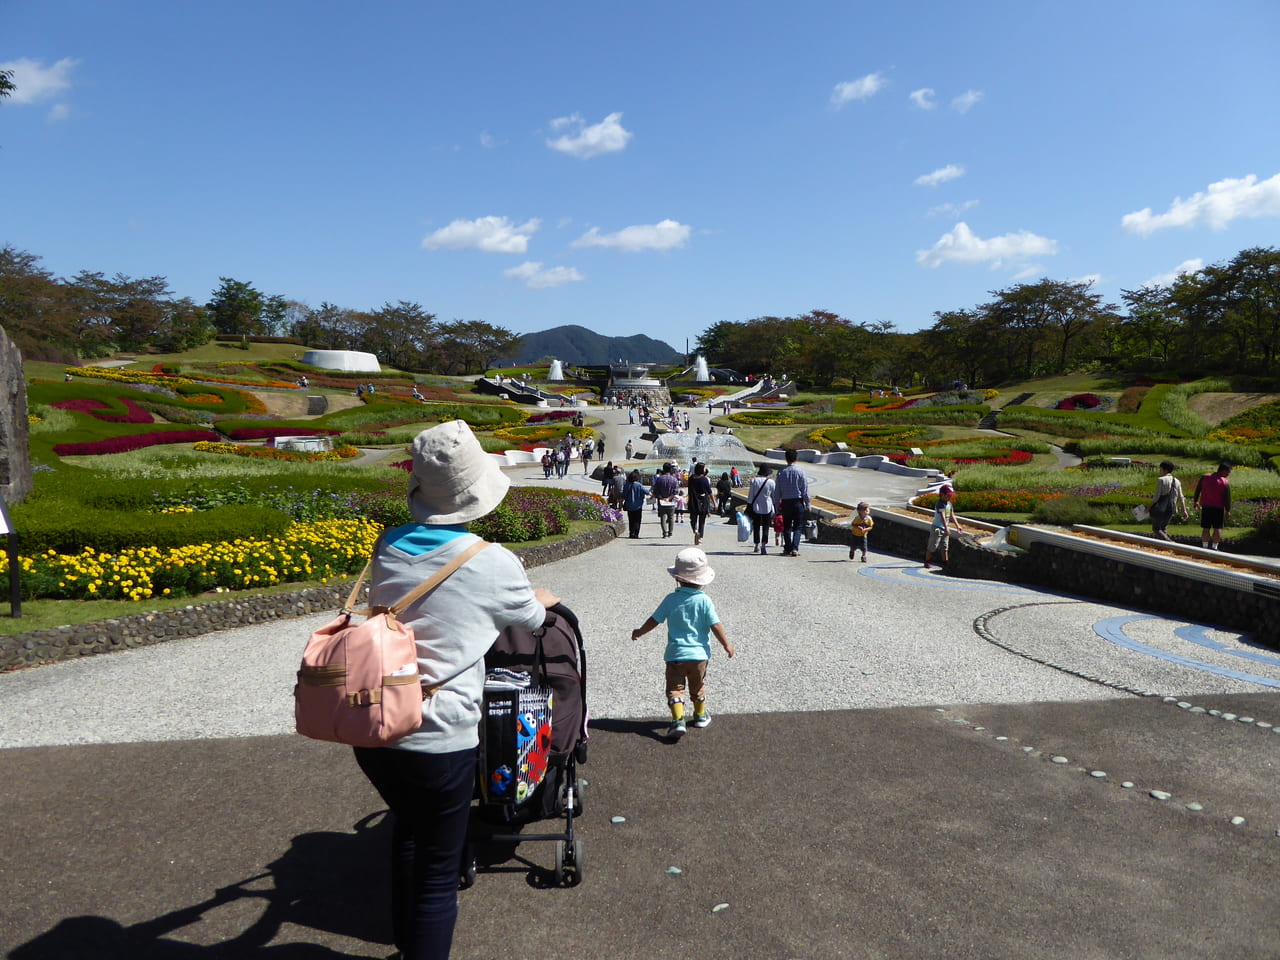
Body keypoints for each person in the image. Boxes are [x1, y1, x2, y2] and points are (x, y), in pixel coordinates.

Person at [354, 420, 561, 960]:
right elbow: (534, 619)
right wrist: (539, 595)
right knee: (436, 873)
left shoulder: (388, 544)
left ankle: (406, 947)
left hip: (375, 723)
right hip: (438, 733)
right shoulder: (490, 560)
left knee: (408, 834)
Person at [630, 548, 735, 740]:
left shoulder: (671, 600)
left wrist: (639, 632)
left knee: (675, 689)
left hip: (675, 655)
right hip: (700, 657)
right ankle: (700, 716)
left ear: (677, 578)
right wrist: (726, 644)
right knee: (698, 686)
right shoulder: (705, 601)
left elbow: (654, 620)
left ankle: (678, 720)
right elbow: (715, 625)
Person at [775, 448, 810, 557]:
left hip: (785, 502)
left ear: (786, 458)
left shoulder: (781, 472)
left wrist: (776, 505)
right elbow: (805, 490)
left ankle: (787, 547)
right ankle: (795, 548)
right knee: (798, 526)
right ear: (796, 458)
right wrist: (808, 503)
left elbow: (777, 491)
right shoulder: (801, 472)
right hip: (798, 502)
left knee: (787, 526)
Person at [1193, 462, 1233, 550]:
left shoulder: (1205, 477)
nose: (1228, 474)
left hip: (1206, 507)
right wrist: (1228, 510)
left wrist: (1195, 501)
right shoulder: (1224, 482)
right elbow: (1227, 498)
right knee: (1217, 528)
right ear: (1223, 471)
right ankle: (1215, 547)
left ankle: (1204, 546)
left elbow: (1198, 490)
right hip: (1218, 508)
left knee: (1206, 528)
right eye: (1228, 472)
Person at [924, 485, 964, 569]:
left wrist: (957, 526)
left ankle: (945, 562)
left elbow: (952, 515)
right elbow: (942, 516)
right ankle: (927, 561)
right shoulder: (940, 504)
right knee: (933, 546)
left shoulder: (949, 504)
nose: (949, 497)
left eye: (950, 496)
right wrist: (946, 528)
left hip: (946, 528)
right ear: (942, 494)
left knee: (945, 547)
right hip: (937, 527)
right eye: (947, 495)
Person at [1149, 461, 1188, 542]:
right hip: (1171, 508)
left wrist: (1148, 507)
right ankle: (1164, 546)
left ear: (1165, 470)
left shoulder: (1161, 480)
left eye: (1161, 469)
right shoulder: (1177, 481)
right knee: (1163, 528)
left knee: (1156, 529)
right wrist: (1184, 510)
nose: (1160, 471)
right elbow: (1181, 497)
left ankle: (1169, 543)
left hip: (1160, 508)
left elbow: (1156, 497)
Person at [745, 465, 776, 555]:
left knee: (756, 526)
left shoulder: (754, 481)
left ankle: (756, 544)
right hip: (767, 506)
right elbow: (773, 496)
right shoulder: (771, 482)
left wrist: (749, 505)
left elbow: (750, 496)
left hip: (756, 506)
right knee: (766, 526)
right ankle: (764, 545)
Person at [651, 462, 681, 538]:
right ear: (670, 469)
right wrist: (669, 498)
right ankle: (670, 533)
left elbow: (656, 491)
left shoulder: (659, 479)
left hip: (661, 501)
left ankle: (664, 533)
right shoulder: (674, 479)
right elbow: (676, 491)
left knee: (663, 518)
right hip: (671, 502)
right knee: (671, 518)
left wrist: (661, 497)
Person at [687, 463, 713, 546]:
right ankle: (700, 537)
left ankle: (695, 530)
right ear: (701, 469)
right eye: (704, 468)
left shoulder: (691, 478)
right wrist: (714, 502)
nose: (705, 469)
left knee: (693, 518)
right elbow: (709, 492)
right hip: (703, 502)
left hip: (693, 501)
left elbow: (689, 490)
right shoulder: (704, 479)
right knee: (702, 521)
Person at [622, 468, 648, 538]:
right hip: (638, 505)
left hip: (629, 505)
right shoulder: (639, 485)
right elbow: (646, 492)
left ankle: (631, 533)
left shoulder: (627, 485)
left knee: (631, 520)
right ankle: (636, 534)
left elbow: (623, 496)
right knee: (637, 520)